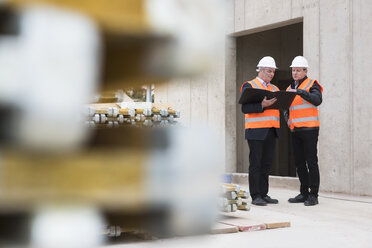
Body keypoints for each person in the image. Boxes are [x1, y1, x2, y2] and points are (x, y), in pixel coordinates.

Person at [240, 56, 280, 206]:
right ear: (261, 70)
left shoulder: (275, 89)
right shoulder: (249, 86)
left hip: (271, 130)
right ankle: (256, 195)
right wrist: (261, 105)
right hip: (255, 131)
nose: (271, 74)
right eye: (269, 71)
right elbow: (245, 108)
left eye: (273, 72)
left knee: (266, 164)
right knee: (256, 164)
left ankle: (264, 193)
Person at [284, 56, 323, 206]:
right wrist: (287, 118)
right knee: (299, 163)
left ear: (305, 71)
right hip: (295, 130)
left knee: (311, 162)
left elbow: (317, 100)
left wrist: (301, 92)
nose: (294, 73)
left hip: (310, 130)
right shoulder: (289, 88)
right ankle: (303, 193)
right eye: (293, 70)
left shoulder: (312, 84)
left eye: (298, 70)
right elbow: (286, 107)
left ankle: (313, 195)